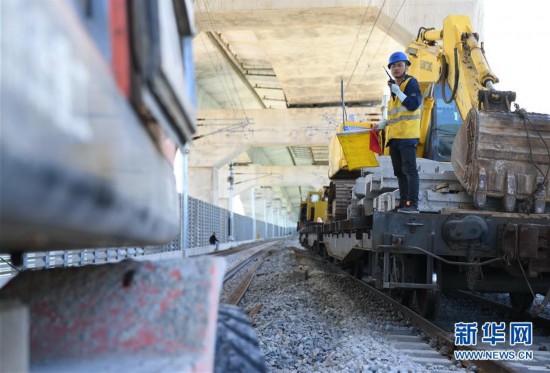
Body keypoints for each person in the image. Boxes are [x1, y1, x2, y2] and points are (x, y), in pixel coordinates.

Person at [374, 51, 422, 213]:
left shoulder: (410, 83)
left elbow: (413, 104)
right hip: (395, 138)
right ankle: (403, 203)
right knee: (400, 173)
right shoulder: (394, 90)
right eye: (393, 66)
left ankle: (412, 205)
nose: (396, 68)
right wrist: (384, 123)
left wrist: (398, 92)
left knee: (409, 171)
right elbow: (397, 115)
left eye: (399, 65)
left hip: (407, 136)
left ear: (406, 67)